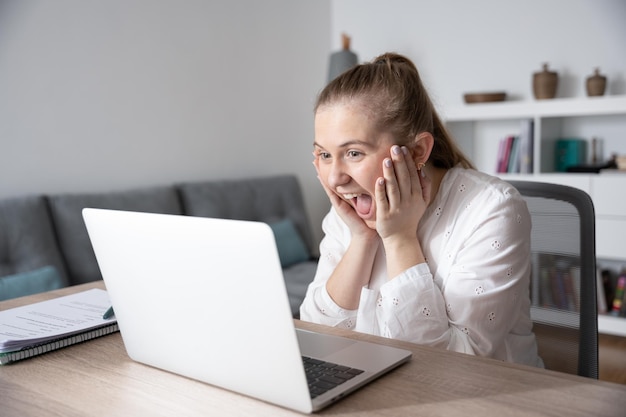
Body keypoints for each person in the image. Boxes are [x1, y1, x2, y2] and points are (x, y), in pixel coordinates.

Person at [300, 52, 544, 367]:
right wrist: (362, 240)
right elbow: (316, 332)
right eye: (324, 155)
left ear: (417, 151)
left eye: (354, 152)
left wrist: (400, 238)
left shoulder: (492, 209)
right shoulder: (349, 211)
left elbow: (458, 362)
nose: (335, 178)